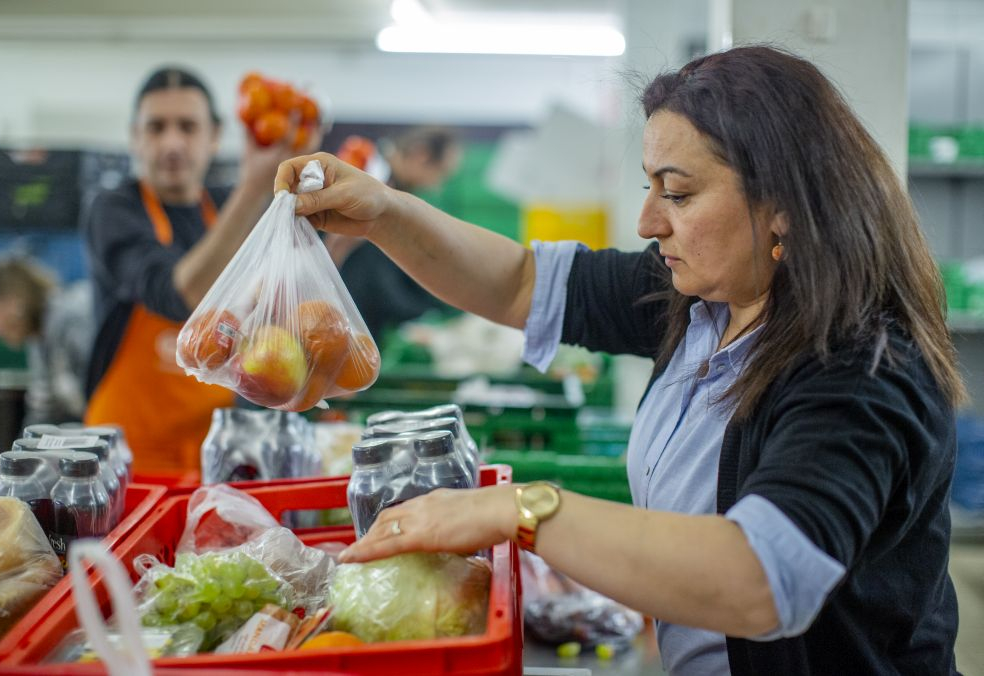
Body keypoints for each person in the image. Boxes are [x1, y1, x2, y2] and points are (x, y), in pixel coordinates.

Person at [276, 46, 964, 675]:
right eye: (650, 186)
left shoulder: (862, 370)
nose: (647, 222)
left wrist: (519, 510)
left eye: (678, 192)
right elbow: (520, 281)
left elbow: (759, 579)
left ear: (781, 204)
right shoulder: (700, 298)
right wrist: (382, 214)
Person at [83, 66, 314, 475]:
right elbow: (182, 296)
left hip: (218, 451)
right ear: (136, 137)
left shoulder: (227, 206)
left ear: (214, 136)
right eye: (156, 127)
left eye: (187, 127)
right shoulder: (114, 211)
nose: (172, 142)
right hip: (127, 461)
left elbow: (288, 292)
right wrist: (254, 188)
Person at [323, 126, 463, 344]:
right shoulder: (370, 174)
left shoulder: (386, 184)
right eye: (440, 173)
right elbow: (340, 248)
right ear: (421, 155)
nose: (437, 186)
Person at [0, 256, 94, 426]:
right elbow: (43, 413)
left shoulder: (71, 319)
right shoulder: (38, 340)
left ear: (13, 301)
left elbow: (103, 390)